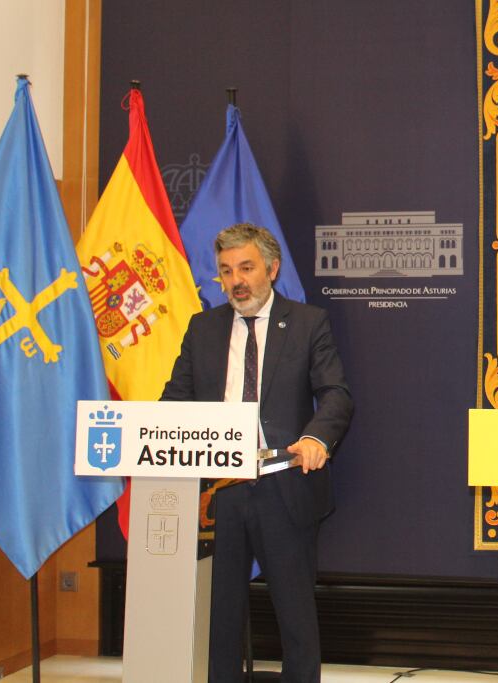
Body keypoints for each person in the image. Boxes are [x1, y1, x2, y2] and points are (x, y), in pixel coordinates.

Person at [161, 223, 353, 683]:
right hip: (218, 492)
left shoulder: (307, 323)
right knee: (219, 616)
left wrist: (315, 438)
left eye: (246, 268)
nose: (236, 281)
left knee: (296, 618)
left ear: (271, 268)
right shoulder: (202, 328)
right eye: (226, 271)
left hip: (283, 486)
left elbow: (336, 395)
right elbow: (173, 402)